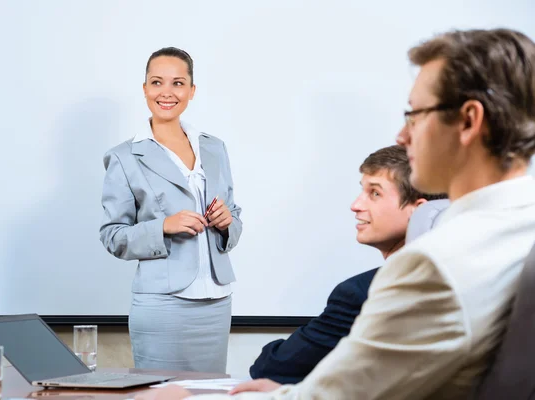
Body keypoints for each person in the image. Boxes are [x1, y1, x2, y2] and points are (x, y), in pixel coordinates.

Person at [136, 28, 535, 399]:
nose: (402, 135)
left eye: (415, 114)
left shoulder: (434, 266)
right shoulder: (521, 226)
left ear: (468, 121)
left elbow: (335, 396)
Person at [250, 145, 446, 384]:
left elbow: (274, 366)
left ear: (419, 210)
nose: (356, 205)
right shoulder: (458, 276)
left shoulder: (363, 293)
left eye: (375, 193)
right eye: (362, 192)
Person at [99, 47, 242, 373]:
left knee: (209, 397)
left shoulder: (213, 147)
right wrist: (163, 226)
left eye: (178, 83)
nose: (167, 92)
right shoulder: (124, 157)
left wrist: (227, 222)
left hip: (217, 302)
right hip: (162, 305)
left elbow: (234, 213)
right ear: (145, 88)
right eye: (157, 82)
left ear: (191, 91)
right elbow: (112, 236)